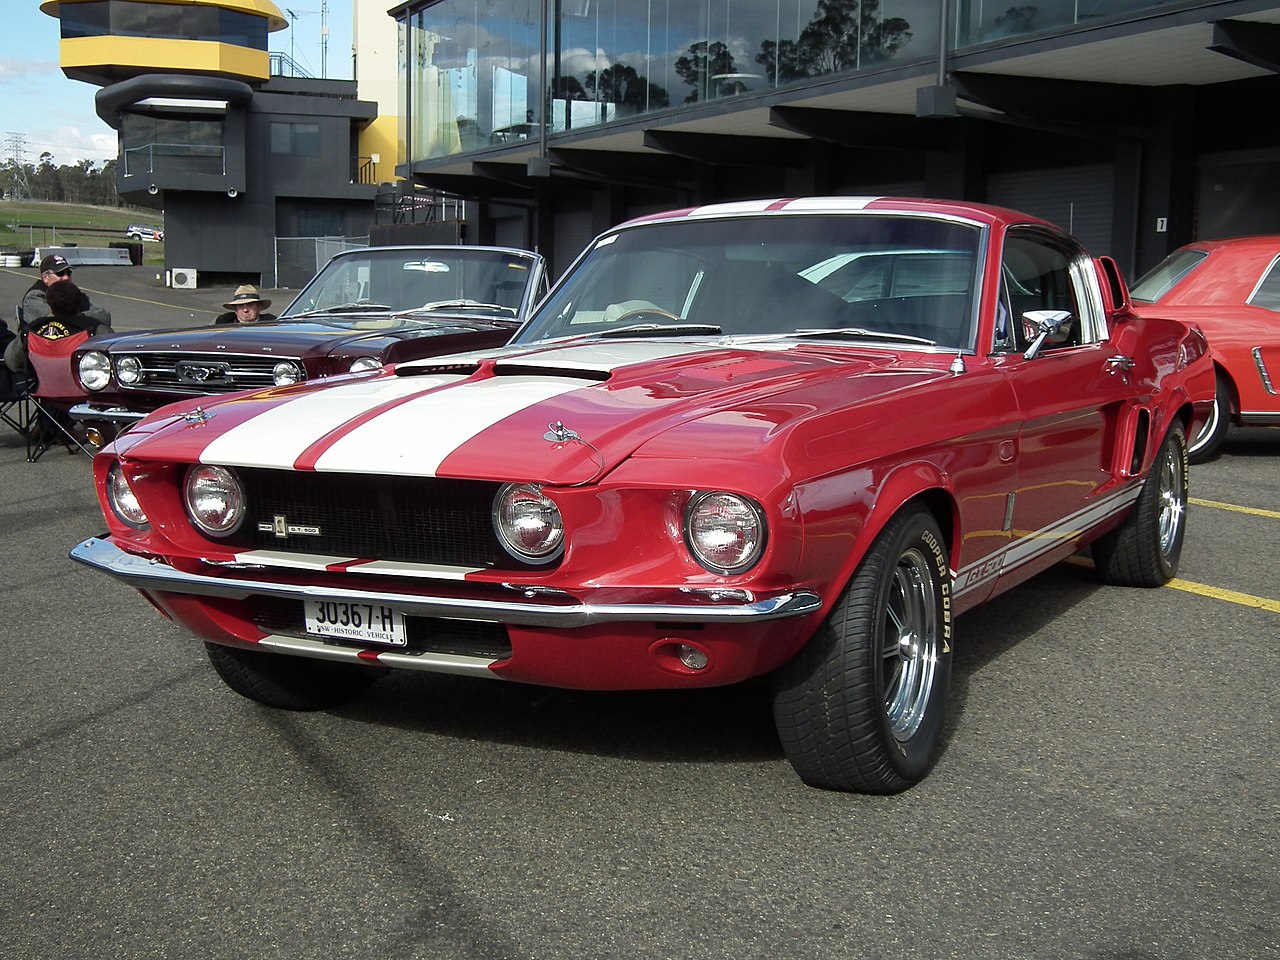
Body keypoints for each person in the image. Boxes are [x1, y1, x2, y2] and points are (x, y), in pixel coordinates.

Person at [20, 254, 112, 331]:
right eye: (60, 273)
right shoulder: (34, 297)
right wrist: (80, 319)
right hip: (45, 346)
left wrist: (82, 317)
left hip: (74, 343)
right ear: (45, 278)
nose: (66, 277)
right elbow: (51, 319)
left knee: (104, 331)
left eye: (68, 273)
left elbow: (104, 316)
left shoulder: (73, 294)